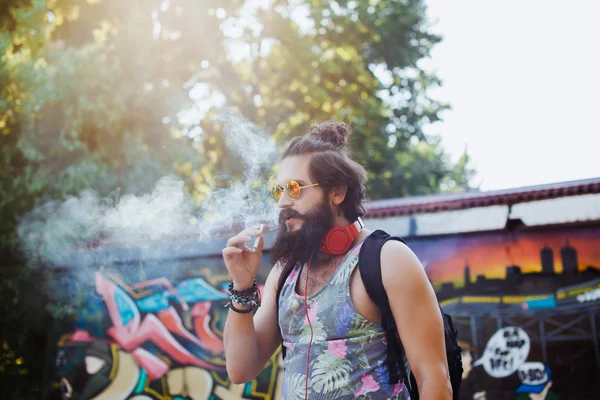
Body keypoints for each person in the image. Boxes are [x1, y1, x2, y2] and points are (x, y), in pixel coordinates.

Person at [222, 122, 451, 399]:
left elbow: (434, 379)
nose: (282, 202)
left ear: (337, 192)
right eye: (279, 191)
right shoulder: (285, 272)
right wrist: (243, 287)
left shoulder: (388, 259)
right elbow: (240, 370)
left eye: (295, 189)